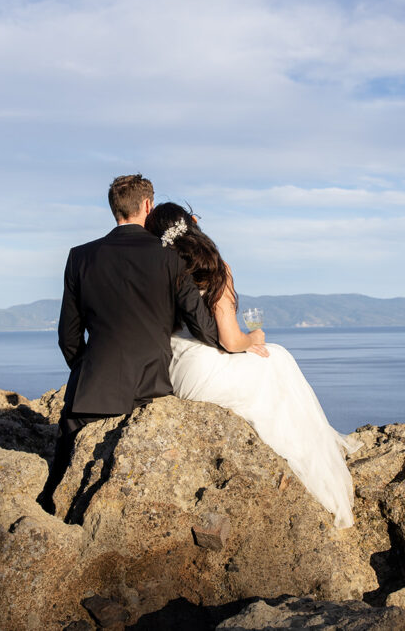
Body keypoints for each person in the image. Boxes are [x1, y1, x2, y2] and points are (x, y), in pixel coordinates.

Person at [145, 202, 362, 528]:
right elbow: (231, 341)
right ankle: (299, 459)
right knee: (278, 359)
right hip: (206, 375)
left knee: (269, 366)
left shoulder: (159, 271)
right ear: (192, 225)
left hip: (175, 372)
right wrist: (254, 338)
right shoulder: (217, 268)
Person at [36, 176, 220, 515]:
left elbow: (68, 336)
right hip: (151, 389)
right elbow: (205, 328)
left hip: (92, 390)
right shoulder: (170, 258)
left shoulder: (80, 257)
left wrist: (86, 370)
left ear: (114, 209)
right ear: (148, 206)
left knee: (56, 489)